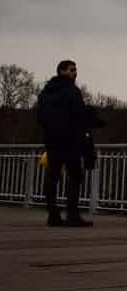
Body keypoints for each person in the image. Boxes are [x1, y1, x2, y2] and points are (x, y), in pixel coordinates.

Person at [36, 60, 99, 227]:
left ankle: (53, 215)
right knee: (75, 176)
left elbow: (40, 117)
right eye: (72, 70)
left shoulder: (46, 92)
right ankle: (72, 215)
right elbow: (79, 115)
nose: (75, 73)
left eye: (75, 70)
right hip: (71, 141)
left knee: (52, 177)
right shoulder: (71, 91)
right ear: (62, 71)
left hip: (53, 141)